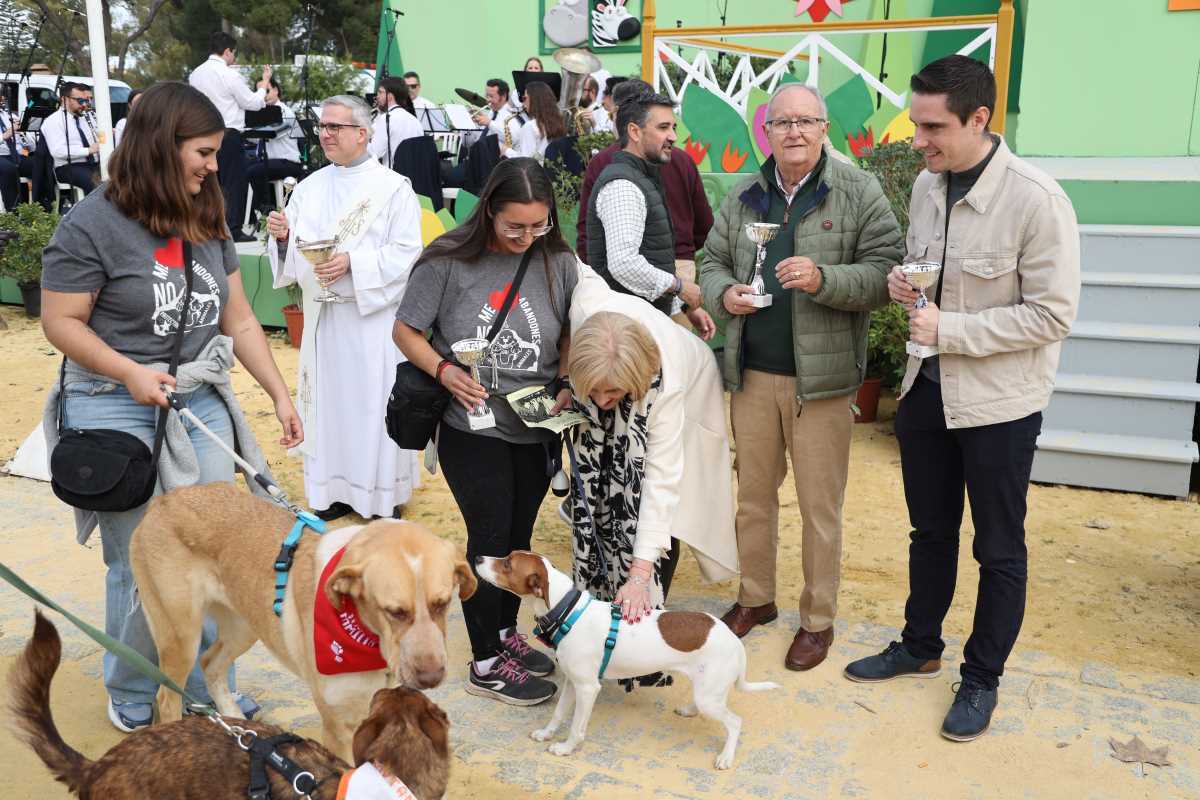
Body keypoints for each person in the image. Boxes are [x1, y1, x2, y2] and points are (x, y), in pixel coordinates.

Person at [39, 81, 303, 733]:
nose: (216, 166)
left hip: (197, 401)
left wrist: (277, 390)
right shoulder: (91, 223)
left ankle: (207, 686)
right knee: (142, 566)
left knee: (220, 553)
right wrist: (128, 371)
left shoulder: (205, 210)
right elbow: (59, 321)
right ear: (161, 147)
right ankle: (133, 688)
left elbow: (238, 317)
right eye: (205, 152)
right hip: (113, 404)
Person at [843, 56, 1080, 742]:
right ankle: (920, 645)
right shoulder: (927, 184)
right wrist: (905, 288)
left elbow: (1053, 315)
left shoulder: (1038, 201)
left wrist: (952, 327)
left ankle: (981, 679)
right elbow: (930, 273)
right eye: (917, 123)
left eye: (932, 126)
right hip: (926, 390)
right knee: (930, 531)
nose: (917, 139)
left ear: (979, 119)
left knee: (998, 546)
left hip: (1001, 404)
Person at [700, 82, 902, 671]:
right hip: (753, 376)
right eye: (782, 122)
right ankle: (755, 599)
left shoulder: (858, 192)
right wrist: (722, 293)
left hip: (824, 384)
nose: (794, 131)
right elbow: (711, 260)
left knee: (821, 509)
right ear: (767, 131)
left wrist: (824, 279)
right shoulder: (742, 196)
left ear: (824, 129)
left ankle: (817, 621)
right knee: (753, 500)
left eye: (806, 121)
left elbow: (886, 272)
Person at [393, 157, 576, 706]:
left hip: (537, 421)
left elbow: (568, 327)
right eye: (515, 225)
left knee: (519, 539)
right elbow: (406, 329)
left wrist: (565, 377)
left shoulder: (558, 260)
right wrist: (445, 371)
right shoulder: (447, 258)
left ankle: (505, 635)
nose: (527, 236)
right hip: (470, 424)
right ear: (490, 211)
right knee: (490, 537)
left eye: (538, 225)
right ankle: (484, 660)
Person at [566, 264, 739, 673]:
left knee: (659, 499)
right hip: (615, 363)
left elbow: (661, 483)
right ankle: (598, 591)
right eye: (595, 392)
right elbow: (577, 265)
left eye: (613, 393)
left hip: (690, 385)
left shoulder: (668, 386)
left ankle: (645, 611)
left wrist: (640, 573)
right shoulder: (585, 306)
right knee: (603, 482)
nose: (604, 402)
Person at [266, 94, 424, 522]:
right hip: (324, 320)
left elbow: (409, 253)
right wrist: (282, 239)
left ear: (363, 132)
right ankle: (330, 489)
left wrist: (356, 263)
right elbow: (296, 255)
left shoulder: (393, 188)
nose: (326, 134)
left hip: (370, 321)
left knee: (372, 407)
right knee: (329, 407)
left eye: (336, 126)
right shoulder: (310, 186)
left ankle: (380, 496)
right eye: (323, 126)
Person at [586, 91, 713, 337]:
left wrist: (682, 306)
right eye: (664, 127)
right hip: (628, 331)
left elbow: (651, 260)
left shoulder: (640, 177)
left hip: (640, 321)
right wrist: (679, 287)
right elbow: (623, 263)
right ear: (634, 131)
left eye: (673, 127)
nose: (674, 137)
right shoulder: (623, 184)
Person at [189, 31, 272, 242]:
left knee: (207, 182)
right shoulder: (229, 74)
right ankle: (232, 229)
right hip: (227, 134)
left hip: (201, 135)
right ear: (227, 51)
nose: (234, 57)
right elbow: (251, 103)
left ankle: (206, 226)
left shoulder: (196, 74)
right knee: (234, 183)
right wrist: (262, 88)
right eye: (233, 53)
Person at [245, 77, 305, 222]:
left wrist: (253, 128)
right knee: (242, 169)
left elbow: (274, 133)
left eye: (267, 90)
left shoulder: (284, 111)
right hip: (271, 161)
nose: (264, 95)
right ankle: (251, 214)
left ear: (276, 90)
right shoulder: (262, 112)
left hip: (288, 162)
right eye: (260, 91)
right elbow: (255, 138)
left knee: (253, 171)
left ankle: (267, 209)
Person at [40, 82, 100, 196]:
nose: (84, 104)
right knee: (95, 183)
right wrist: (88, 150)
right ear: (64, 99)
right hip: (68, 166)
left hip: (94, 163)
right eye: (80, 101)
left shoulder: (86, 116)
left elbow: (99, 137)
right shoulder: (53, 121)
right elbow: (58, 151)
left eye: (86, 100)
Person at [369, 76, 423, 169]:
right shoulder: (415, 121)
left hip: (392, 177)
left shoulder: (386, 118)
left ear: (390, 96)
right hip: (412, 177)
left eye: (380, 92)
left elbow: (374, 153)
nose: (377, 96)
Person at [503, 81, 565, 162]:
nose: (523, 103)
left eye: (525, 98)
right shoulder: (558, 123)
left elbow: (526, 160)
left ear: (534, 100)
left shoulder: (530, 126)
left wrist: (506, 151)